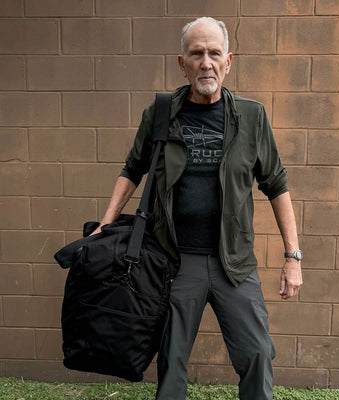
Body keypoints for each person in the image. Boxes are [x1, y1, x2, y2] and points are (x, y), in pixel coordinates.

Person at [92, 16, 303, 400]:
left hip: (234, 264)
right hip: (174, 262)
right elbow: (132, 170)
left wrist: (293, 256)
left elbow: (277, 184)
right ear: (182, 63)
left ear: (228, 61)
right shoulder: (159, 114)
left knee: (257, 353)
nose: (206, 62)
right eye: (197, 54)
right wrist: (106, 223)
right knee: (172, 361)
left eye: (214, 53)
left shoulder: (252, 117)